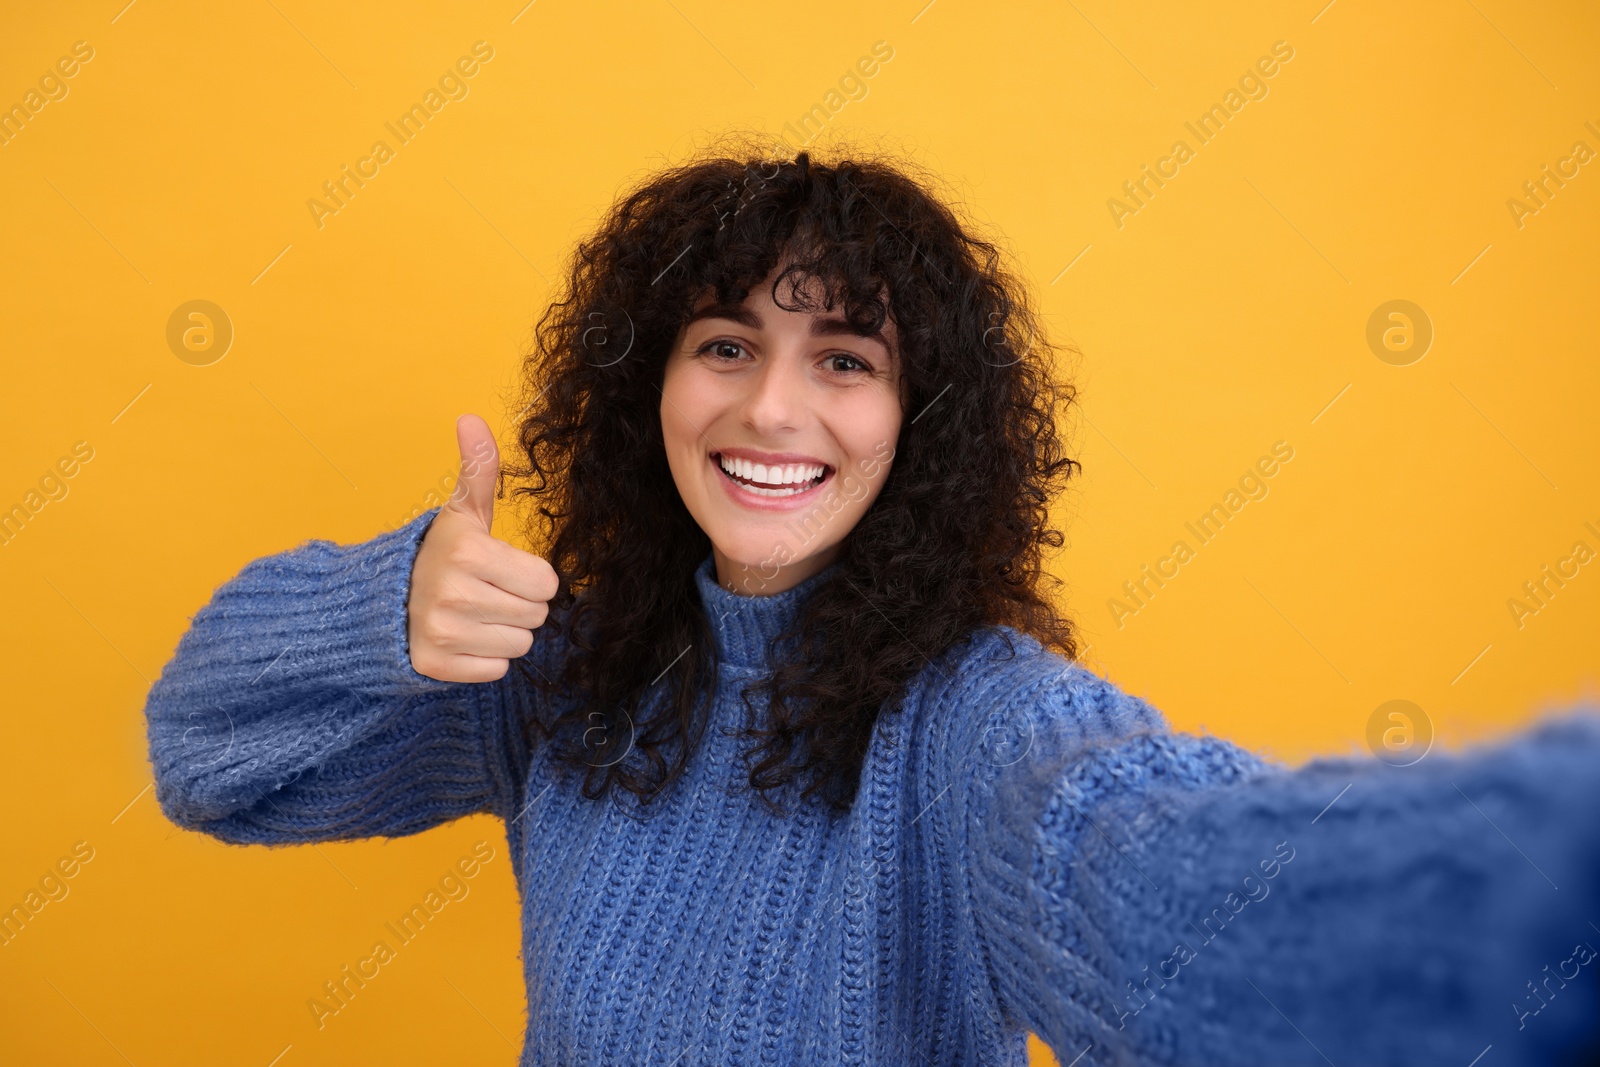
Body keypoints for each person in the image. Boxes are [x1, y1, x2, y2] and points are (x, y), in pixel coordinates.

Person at [143, 143, 1600, 1066]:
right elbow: (206, 758)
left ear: (923, 421)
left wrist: (1525, 878)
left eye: (845, 359)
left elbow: (1163, 879)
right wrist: (383, 607)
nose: (772, 408)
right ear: (647, 388)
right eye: (725, 343)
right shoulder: (569, 670)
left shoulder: (981, 719)